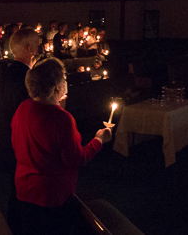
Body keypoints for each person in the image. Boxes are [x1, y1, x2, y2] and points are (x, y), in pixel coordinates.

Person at [7, 58, 112, 235]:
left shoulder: (23, 108)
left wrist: (58, 107)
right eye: (64, 79)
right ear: (57, 88)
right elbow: (76, 159)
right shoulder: (62, 119)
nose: (65, 82)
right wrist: (98, 140)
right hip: (51, 196)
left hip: (24, 191)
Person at [0, 28, 40, 174]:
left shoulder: (8, 71)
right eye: (37, 46)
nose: (39, 50)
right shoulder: (27, 76)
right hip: (22, 139)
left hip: (7, 133)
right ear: (30, 49)